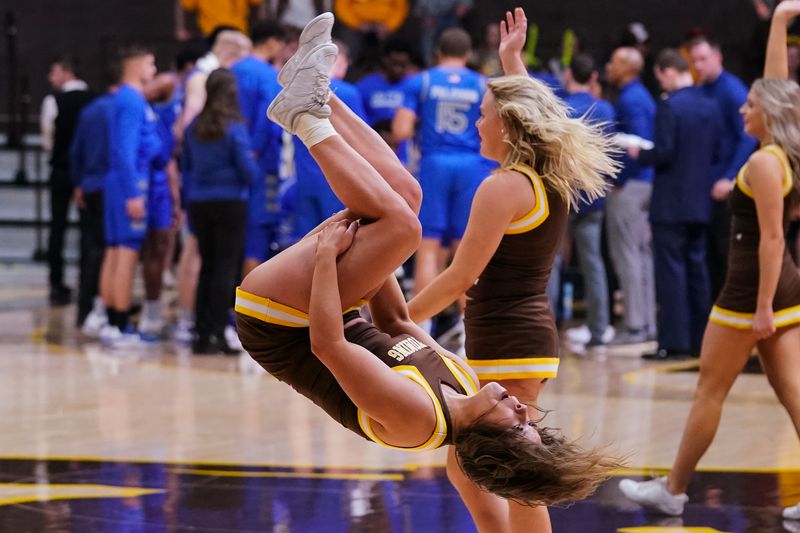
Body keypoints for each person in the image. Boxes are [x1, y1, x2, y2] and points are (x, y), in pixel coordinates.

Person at [238, 13, 618, 521]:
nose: (522, 410)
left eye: (518, 420)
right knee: (407, 199)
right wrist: (379, 262)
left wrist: (336, 263)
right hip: (328, 309)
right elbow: (395, 323)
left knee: (403, 228)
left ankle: (306, 117)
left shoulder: (419, 418)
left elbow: (327, 345)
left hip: (282, 324)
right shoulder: (462, 386)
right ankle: (317, 97)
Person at [406, 9, 619, 531]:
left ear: (507, 125)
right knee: (476, 465)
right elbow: (533, 110)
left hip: (511, 339)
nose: (477, 122)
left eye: (484, 114)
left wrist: (396, 320)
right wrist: (511, 61)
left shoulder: (503, 188)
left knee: (513, 476)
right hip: (516, 335)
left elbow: (460, 277)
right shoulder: (546, 175)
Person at [620, 2, 800, 518]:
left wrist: (762, 307)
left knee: (708, 392)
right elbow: (777, 87)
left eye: (749, 107)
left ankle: (673, 491)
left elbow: (770, 239)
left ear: (768, 115)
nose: (742, 110)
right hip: (780, 286)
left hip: (751, 291)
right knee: (793, 393)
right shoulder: (778, 146)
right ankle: (672, 487)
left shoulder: (766, 163)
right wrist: (781, 22)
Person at [392, 27, 493, 334]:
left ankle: (422, 327)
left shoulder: (421, 81)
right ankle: (469, 333)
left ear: (438, 52)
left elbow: (401, 131)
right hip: (472, 166)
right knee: (467, 251)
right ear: (468, 54)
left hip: (434, 164)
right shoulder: (481, 84)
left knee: (428, 249)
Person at [627, 49, 723, 360]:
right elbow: (717, 152)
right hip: (700, 202)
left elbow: (665, 152)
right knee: (698, 272)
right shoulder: (710, 105)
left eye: (660, 79)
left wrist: (640, 154)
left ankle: (674, 341)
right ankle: (701, 340)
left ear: (668, 72)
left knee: (671, 274)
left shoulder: (670, 106)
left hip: (671, 204)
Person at [182, 69, 258, 354]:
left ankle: (201, 333)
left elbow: (186, 166)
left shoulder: (194, 127)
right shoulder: (234, 127)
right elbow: (248, 171)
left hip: (199, 202)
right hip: (230, 201)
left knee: (208, 266)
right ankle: (218, 330)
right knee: (227, 268)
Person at [98, 46, 160, 347]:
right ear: (135, 66)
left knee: (114, 251)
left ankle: (112, 321)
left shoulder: (126, 98)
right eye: (150, 63)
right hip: (130, 183)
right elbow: (125, 149)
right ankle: (119, 325)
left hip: (120, 182)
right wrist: (133, 193)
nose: (154, 69)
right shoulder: (132, 100)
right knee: (125, 253)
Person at [688, 36, 759, 300]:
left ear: (718, 58)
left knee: (726, 252)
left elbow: (748, 136)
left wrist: (730, 177)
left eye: (703, 59)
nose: (699, 65)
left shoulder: (731, 90)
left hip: (726, 186)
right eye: (694, 61)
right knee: (710, 257)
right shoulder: (701, 90)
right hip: (707, 186)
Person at [562, 52, 617, 354]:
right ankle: (599, 329)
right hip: (593, 194)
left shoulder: (561, 108)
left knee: (551, 264)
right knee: (593, 264)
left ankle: (552, 325)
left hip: (564, 193)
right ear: (594, 77)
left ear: (569, 75)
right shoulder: (606, 109)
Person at [605, 46, 657, 345]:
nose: (609, 66)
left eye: (613, 61)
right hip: (645, 183)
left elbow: (634, 146)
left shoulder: (630, 99)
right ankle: (645, 322)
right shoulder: (641, 95)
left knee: (627, 255)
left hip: (631, 185)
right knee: (641, 255)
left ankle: (635, 325)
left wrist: (619, 180)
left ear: (626, 67)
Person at [232, 20, 286, 278]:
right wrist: (253, 150)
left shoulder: (231, 70)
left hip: (228, 163)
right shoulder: (267, 75)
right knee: (258, 234)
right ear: (273, 42)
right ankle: (249, 309)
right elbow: (270, 118)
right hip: (262, 164)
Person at [40, 56, 95, 306]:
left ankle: (56, 283)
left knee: (57, 226)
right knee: (89, 229)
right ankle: (88, 282)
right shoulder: (94, 99)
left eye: (54, 71)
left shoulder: (54, 101)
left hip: (62, 170)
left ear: (66, 72)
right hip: (88, 172)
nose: (51, 78)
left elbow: (48, 139)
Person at [70, 90, 114, 333]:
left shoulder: (91, 109)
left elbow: (75, 151)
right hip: (110, 189)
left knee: (90, 251)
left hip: (89, 187)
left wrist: (78, 182)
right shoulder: (124, 108)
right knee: (110, 253)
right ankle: (100, 309)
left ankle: (85, 309)